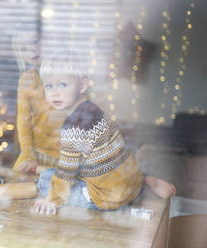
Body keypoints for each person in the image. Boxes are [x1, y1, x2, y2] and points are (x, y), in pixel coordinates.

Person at [34, 50, 176, 215]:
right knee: (59, 172)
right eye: (49, 86)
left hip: (107, 197)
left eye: (62, 84)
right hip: (131, 181)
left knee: (45, 179)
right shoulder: (94, 110)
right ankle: (145, 183)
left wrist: (52, 199)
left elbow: (66, 173)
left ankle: (119, 196)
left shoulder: (74, 126)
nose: (54, 92)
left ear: (82, 86)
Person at [11, 27, 68, 172]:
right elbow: (23, 121)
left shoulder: (67, 72)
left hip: (66, 156)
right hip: (36, 155)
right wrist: (29, 155)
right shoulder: (26, 79)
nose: (31, 50)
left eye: (34, 42)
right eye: (23, 48)